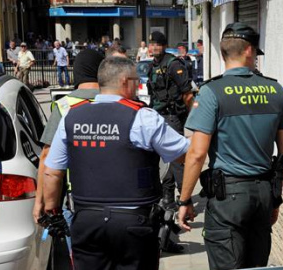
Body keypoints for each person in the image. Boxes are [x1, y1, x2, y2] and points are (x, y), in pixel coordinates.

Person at [42, 56, 190, 270]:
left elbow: (52, 173)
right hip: (133, 224)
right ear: (124, 81)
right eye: (136, 81)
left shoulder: (71, 117)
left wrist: (52, 212)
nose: (138, 86)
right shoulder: (143, 117)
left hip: (86, 220)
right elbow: (185, 155)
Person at [178, 22, 283, 270]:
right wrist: (275, 197)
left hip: (227, 198)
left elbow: (197, 153)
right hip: (263, 194)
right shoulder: (275, 90)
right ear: (249, 51)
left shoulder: (212, 92)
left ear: (223, 53)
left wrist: (185, 200)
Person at [33, 49, 105, 259]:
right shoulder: (118, 101)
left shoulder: (64, 106)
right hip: (118, 200)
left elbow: (47, 158)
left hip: (78, 202)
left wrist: (41, 202)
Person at [147, 31, 193, 210]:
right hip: (158, 116)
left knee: (176, 158)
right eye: (152, 44)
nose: (154, 47)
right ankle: (168, 198)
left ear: (164, 45)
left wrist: (193, 118)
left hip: (173, 116)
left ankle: (184, 198)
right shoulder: (153, 66)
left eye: (158, 44)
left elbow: (187, 93)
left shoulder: (173, 64)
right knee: (163, 160)